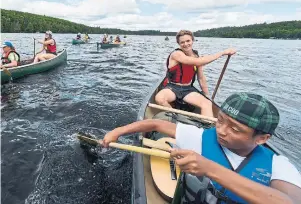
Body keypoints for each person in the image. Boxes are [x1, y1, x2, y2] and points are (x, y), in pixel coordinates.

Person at [102, 92, 301, 204]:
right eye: (220, 120)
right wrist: (118, 131)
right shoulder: (199, 137)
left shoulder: (279, 165)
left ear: (262, 138)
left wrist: (209, 169)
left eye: (234, 129)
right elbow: (155, 124)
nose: (221, 131)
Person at [155, 30, 236, 117]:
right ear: (178, 44)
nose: (185, 44)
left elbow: (201, 78)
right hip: (172, 87)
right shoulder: (177, 54)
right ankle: (176, 117)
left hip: (188, 89)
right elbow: (198, 62)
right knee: (160, 98)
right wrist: (222, 53)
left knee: (207, 104)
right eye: (182, 42)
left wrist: (207, 95)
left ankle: (207, 127)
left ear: (192, 40)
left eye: (188, 41)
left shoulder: (196, 56)